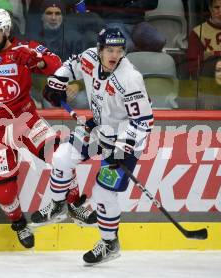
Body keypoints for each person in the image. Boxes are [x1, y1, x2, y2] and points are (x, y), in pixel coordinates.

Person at [31, 27, 154, 264]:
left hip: (126, 140)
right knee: (62, 157)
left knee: (102, 194)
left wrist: (122, 148)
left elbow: (143, 121)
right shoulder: (89, 57)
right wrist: (58, 80)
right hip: (98, 129)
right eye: (109, 49)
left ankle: (110, 244)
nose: (114, 55)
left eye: (119, 50)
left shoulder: (131, 79)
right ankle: (58, 206)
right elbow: (71, 64)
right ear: (99, 50)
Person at [0, 8, 63, 249]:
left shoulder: (24, 48)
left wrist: (38, 60)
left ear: (6, 30)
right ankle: (18, 223)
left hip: (25, 118)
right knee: (4, 193)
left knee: (58, 157)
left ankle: (72, 203)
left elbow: (56, 65)